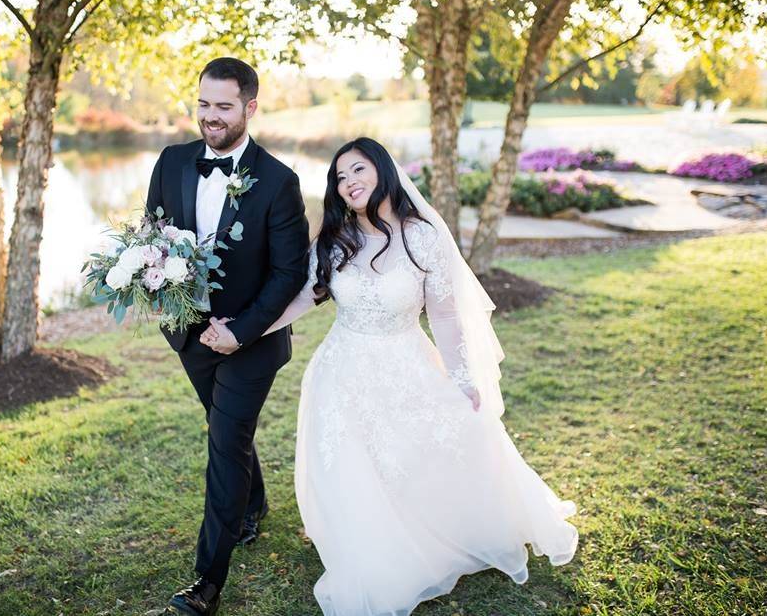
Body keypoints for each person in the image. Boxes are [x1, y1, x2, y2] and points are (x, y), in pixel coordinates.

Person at [204, 137, 578, 616]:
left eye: (357, 170)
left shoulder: (423, 236)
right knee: (356, 466)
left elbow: (444, 315)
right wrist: (243, 331)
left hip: (405, 361)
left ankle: (429, 530)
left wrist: (462, 377)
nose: (349, 183)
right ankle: (367, 538)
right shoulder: (335, 240)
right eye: (340, 177)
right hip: (342, 370)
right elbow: (301, 298)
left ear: (383, 170)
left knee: (415, 455)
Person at [146, 57, 310, 616]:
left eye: (223, 107)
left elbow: (289, 273)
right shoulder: (170, 162)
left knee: (223, 446)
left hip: (253, 342)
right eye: (203, 104)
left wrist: (239, 332)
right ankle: (253, 507)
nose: (210, 117)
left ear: (249, 108)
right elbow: (154, 236)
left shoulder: (280, 181)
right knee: (227, 430)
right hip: (189, 336)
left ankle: (206, 583)